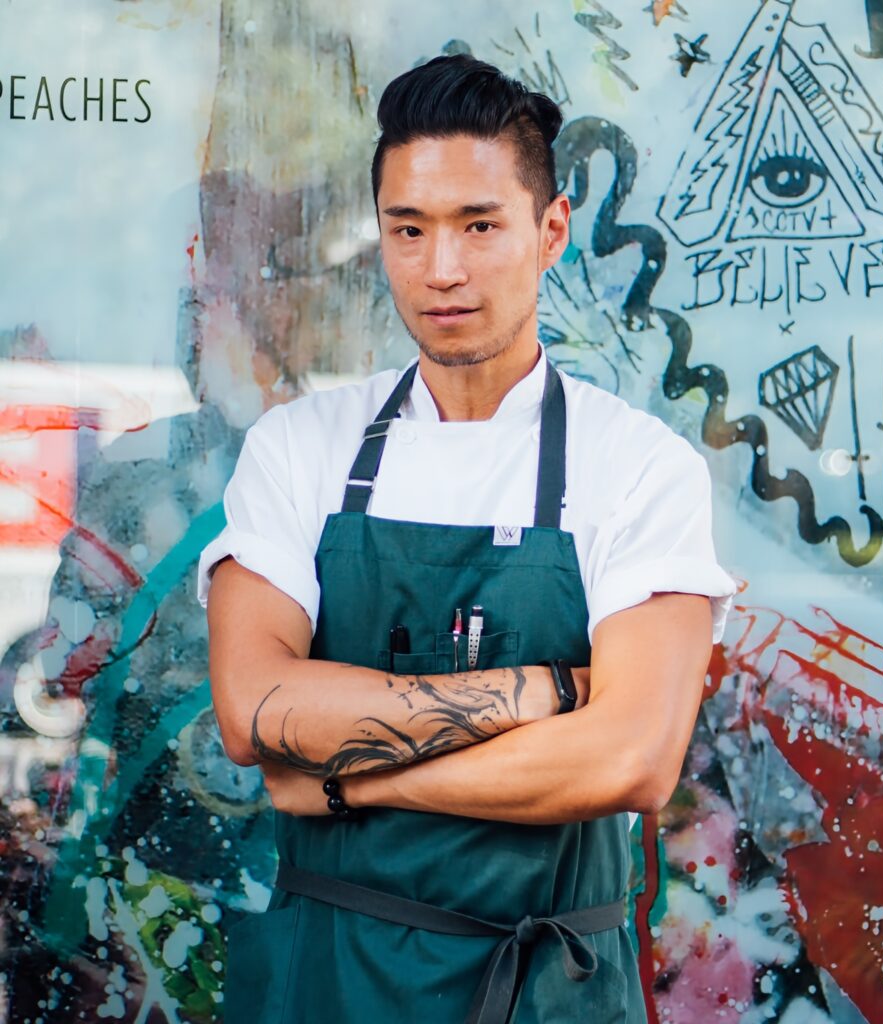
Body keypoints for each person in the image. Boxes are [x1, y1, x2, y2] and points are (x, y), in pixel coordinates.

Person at [196, 52, 737, 1024]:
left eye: (479, 226)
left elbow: (627, 760)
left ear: (550, 232)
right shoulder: (298, 450)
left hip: (542, 991)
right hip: (332, 981)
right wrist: (535, 695)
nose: (441, 268)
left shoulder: (637, 468)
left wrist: (350, 783)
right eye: (409, 230)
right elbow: (256, 708)